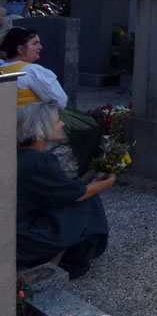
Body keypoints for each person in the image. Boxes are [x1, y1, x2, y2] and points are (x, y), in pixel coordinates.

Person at [16, 101, 115, 279]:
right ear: (42, 128)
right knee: (87, 200)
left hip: (15, 230)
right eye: (57, 121)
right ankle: (74, 260)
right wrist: (108, 182)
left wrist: (91, 177)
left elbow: (63, 188)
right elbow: (78, 194)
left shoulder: (19, 154)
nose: (62, 123)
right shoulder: (39, 161)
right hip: (24, 239)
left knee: (84, 191)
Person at [0, 27, 102, 175]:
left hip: (8, 122)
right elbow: (59, 101)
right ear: (21, 49)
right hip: (31, 124)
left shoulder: (3, 67)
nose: (40, 47)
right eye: (35, 43)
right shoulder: (33, 71)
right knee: (89, 128)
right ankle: (83, 174)